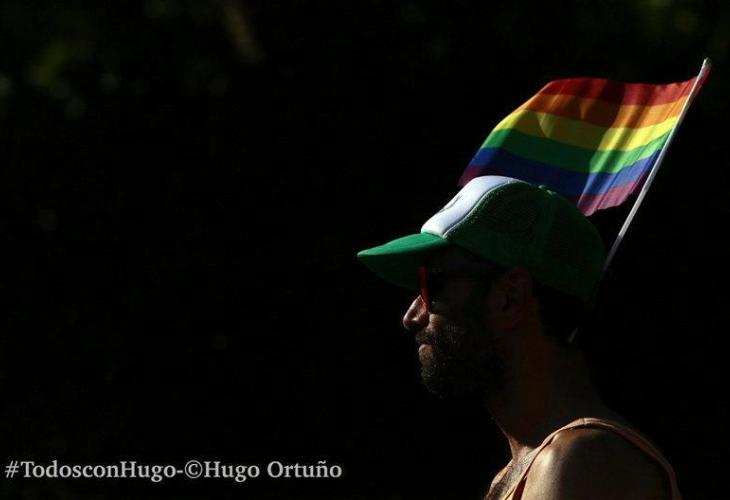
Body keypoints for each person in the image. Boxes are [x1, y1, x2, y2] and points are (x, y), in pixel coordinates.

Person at [357, 175, 681, 500]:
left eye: (433, 286)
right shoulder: (532, 466)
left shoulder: (581, 462)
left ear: (510, 297)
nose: (412, 316)